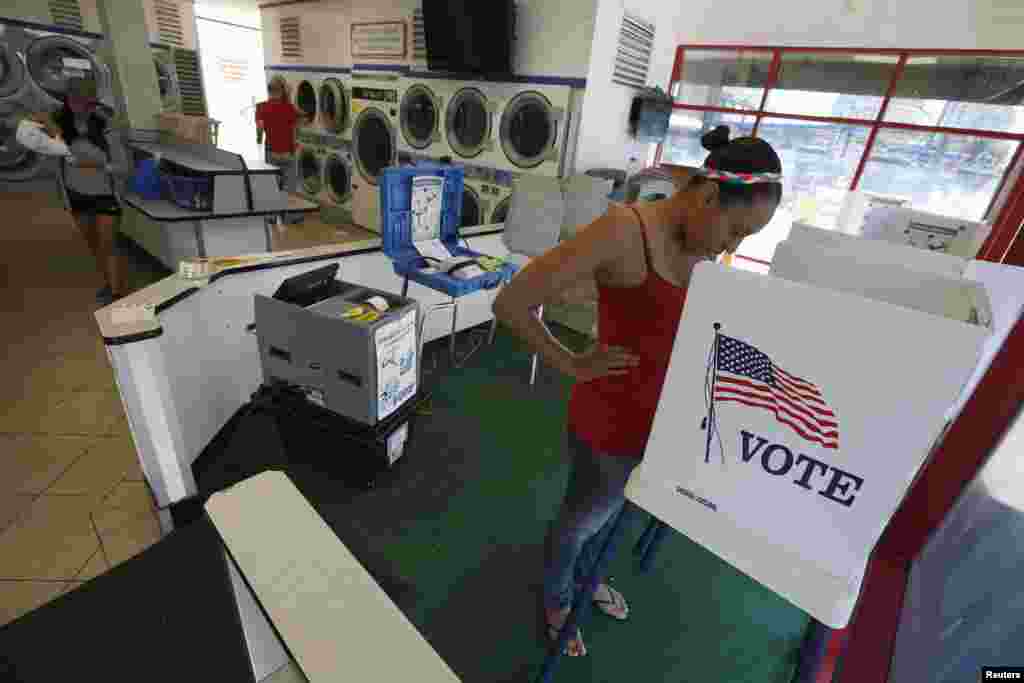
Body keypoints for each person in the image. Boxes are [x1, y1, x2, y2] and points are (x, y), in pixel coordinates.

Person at [492, 126, 783, 657]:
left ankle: (584, 580)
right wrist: (571, 362)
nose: (731, 247)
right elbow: (511, 302)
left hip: (664, 421)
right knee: (582, 518)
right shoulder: (622, 232)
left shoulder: (703, 243)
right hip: (611, 418)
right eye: (735, 230)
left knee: (613, 515)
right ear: (711, 196)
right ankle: (557, 595)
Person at [50, 77, 133, 306]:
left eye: (85, 101)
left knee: (108, 244)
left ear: (93, 103)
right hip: (76, 195)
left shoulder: (107, 129)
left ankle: (116, 295)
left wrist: (97, 166)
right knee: (93, 245)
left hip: (105, 195)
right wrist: (63, 196)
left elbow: (125, 169)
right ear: (67, 101)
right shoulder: (60, 128)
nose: (79, 105)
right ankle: (109, 284)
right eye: (74, 99)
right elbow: (57, 167)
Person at [256, 75, 309, 224]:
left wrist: (259, 138)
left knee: (272, 185)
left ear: (269, 91)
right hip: (287, 154)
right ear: (282, 91)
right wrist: (290, 97)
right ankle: (290, 216)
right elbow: (303, 118)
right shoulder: (289, 108)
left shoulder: (261, 107)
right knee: (289, 187)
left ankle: (271, 216)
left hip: (271, 153)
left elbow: (259, 129)